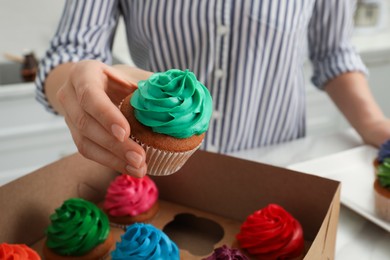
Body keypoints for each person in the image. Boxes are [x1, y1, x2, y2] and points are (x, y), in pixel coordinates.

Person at [35, 0, 390, 178]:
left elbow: (334, 52)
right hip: (149, 172)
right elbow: (71, 53)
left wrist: (377, 126)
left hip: (276, 165)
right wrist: (77, 85)